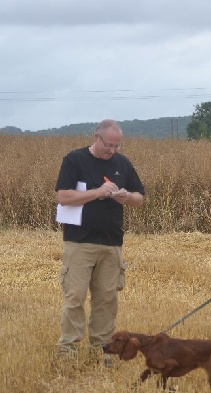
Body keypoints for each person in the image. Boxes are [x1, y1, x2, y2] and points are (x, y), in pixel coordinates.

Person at [55, 119, 145, 365]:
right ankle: (68, 352)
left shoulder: (122, 163)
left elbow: (140, 197)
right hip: (79, 242)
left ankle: (102, 352)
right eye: (109, 145)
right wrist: (98, 192)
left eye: (117, 146)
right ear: (96, 137)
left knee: (106, 299)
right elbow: (63, 196)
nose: (112, 150)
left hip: (111, 243)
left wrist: (125, 197)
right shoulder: (74, 160)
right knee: (75, 297)